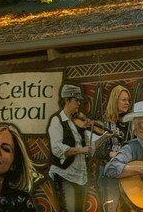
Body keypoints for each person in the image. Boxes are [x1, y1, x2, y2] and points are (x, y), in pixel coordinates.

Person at [52, 84, 95, 212]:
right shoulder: (57, 121)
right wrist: (81, 150)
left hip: (80, 176)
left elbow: (89, 147)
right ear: (66, 100)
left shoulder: (78, 122)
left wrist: (102, 136)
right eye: (76, 100)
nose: (79, 103)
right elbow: (57, 148)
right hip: (65, 174)